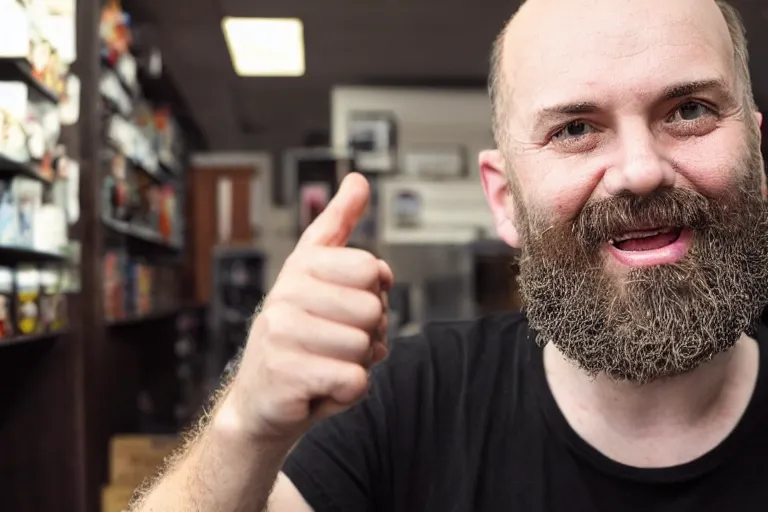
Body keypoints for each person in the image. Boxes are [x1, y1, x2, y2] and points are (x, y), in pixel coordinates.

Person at [130, 0, 768, 510]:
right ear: (504, 200)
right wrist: (245, 425)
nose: (639, 170)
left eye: (689, 110)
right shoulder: (408, 401)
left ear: (758, 156)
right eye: (575, 129)